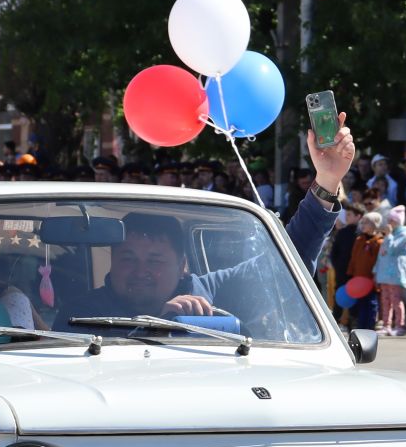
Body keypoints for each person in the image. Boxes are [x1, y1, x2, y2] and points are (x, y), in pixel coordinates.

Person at [67, 115, 356, 323]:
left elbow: (289, 261)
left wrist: (328, 179)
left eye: (155, 260)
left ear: (183, 266)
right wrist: (160, 322)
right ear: (112, 259)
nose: (140, 270)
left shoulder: (211, 292)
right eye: (128, 258)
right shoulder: (81, 313)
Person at [374, 206, 406, 336]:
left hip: (396, 273)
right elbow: (382, 254)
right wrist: (376, 270)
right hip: (385, 274)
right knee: (385, 300)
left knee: (396, 299)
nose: (389, 222)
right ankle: (386, 325)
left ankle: (400, 326)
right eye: (389, 219)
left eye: (392, 220)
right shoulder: (389, 235)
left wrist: (389, 235)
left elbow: (392, 249)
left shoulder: (405, 234)